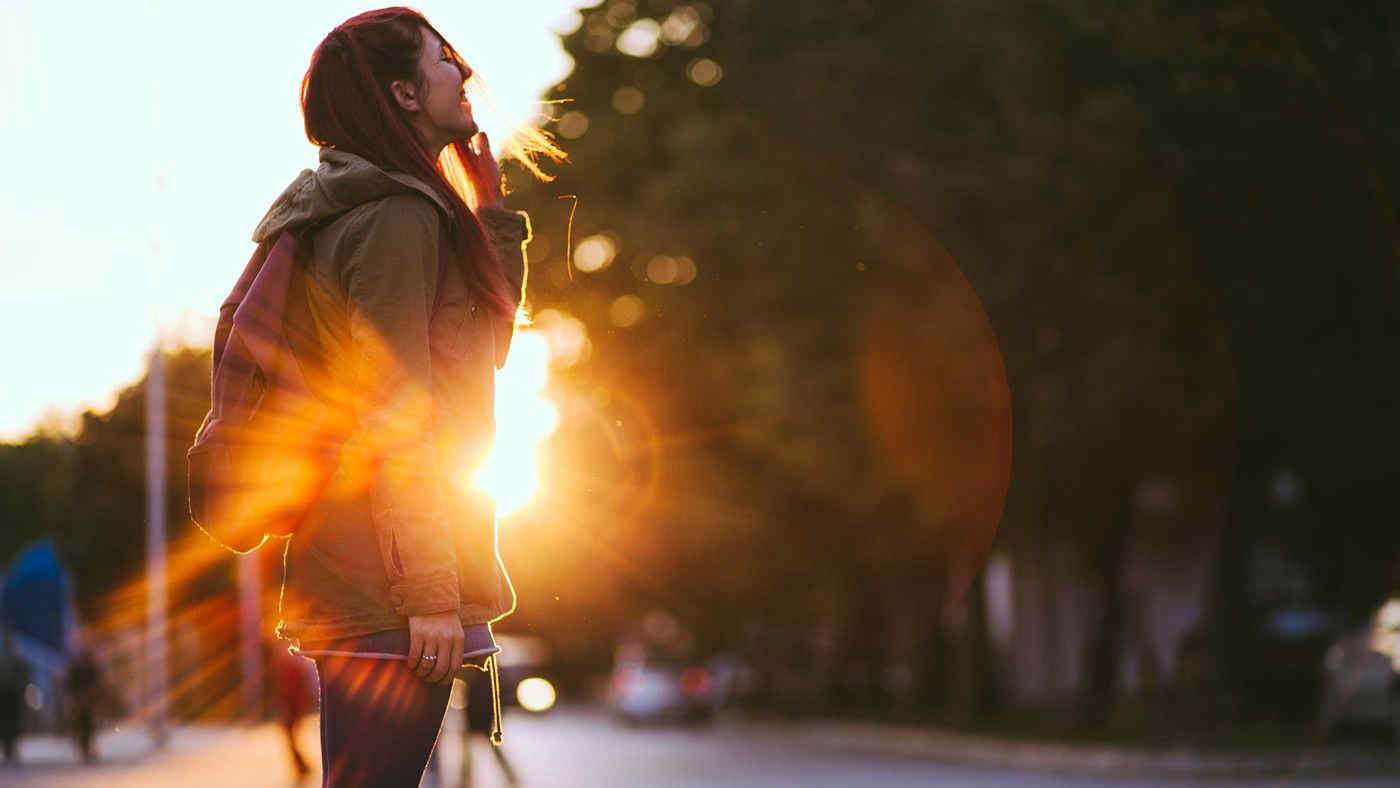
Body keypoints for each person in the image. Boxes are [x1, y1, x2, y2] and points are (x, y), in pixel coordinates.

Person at [249, 8, 563, 786]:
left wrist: (492, 221)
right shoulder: (392, 217)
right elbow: (395, 416)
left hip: (377, 579)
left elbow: (476, 357)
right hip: (387, 588)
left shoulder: (389, 209)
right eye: (443, 59)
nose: (462, 72)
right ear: (404, 93)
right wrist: (429, 594)